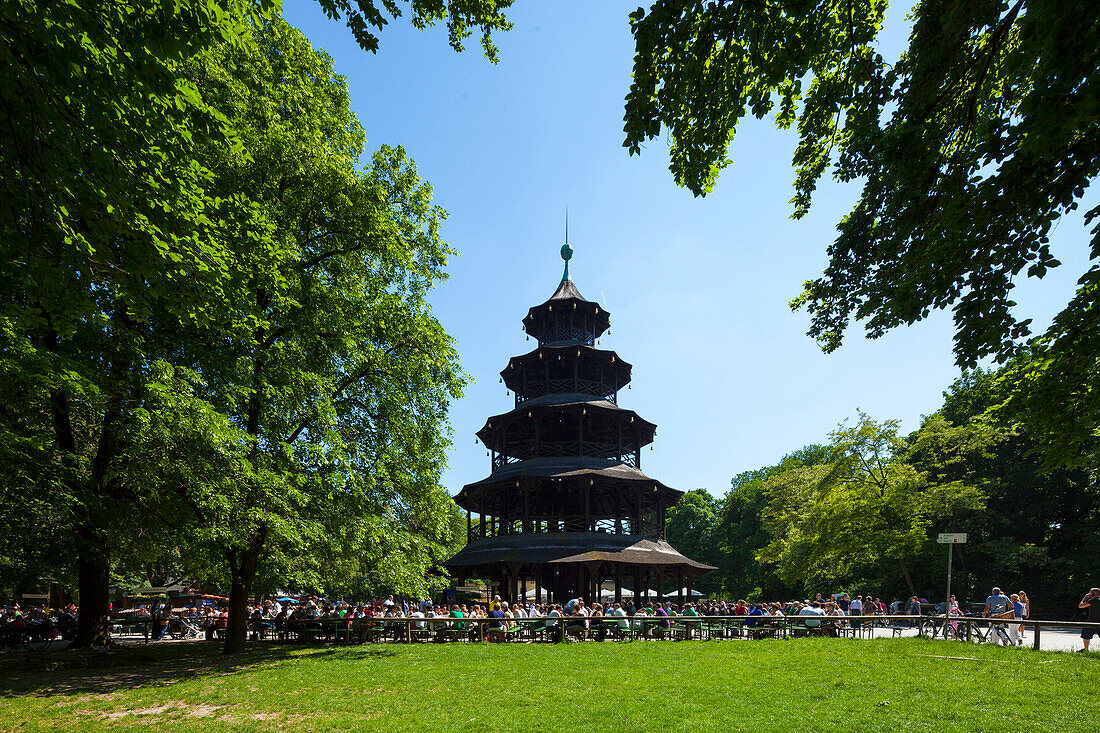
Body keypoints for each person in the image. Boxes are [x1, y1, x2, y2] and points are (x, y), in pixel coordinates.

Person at [1078, 587, 1100, 652]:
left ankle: (1086, 649)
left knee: (1086, 636)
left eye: (1090, 593)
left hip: (1091, 621)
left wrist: (1085, 597)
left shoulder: (1093, 600)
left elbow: (1081, 606)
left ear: (1094, 593)